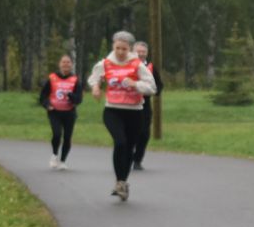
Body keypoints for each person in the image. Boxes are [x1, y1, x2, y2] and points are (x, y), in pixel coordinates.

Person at [87, 31, 156, 202]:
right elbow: (93, 78)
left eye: (124, 49)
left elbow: (152, 87)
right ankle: (119, 182)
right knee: (120, 142)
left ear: (130, 49)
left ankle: (123, 183)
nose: (120, 52)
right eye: (117, 48)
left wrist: (136, 84)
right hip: (113, 110)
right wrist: (95, 87)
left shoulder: (137, 65)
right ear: (113, 46)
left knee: (129, 148)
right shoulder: (106, 63)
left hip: (135, 112)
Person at [37, 54, 81, 170]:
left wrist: (71, 96)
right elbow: (42, 96)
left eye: (68, 62)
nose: (66, 64)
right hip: (55, 112)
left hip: (69, 113)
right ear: (59, 64)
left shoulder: (75, 79)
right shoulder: (52, 78)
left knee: (67, 137)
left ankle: (63, 161)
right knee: (57, 134)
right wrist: (47, 105)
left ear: (71, 65)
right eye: (63, 62)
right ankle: (54, 155)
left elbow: (79, 99)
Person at [131, 41, 161, 171]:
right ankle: (128, 154)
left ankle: (137, 160)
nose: (141, 54)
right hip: (129, 105)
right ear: (133, 52)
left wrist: (152, 91)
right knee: (130, 133)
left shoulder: (151, 68)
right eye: (138, 51)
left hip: (145, 105)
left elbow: (159, 85)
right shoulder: (126, 66)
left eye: (143, 52)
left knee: (144, 134)